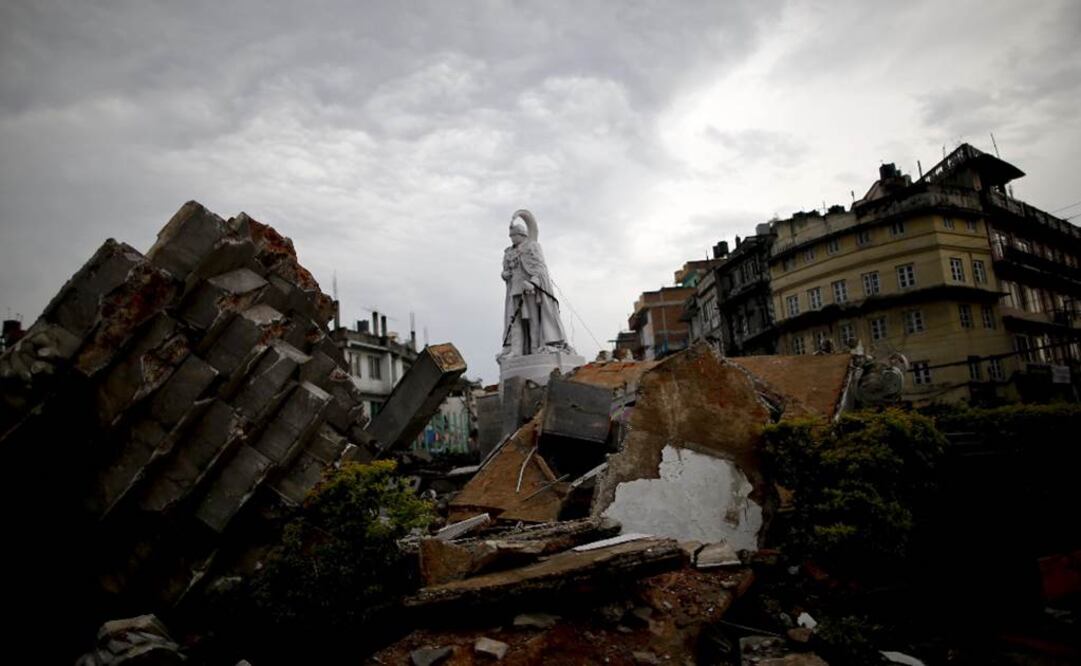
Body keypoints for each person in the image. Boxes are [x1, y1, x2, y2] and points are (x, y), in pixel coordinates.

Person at [500, 210, 570, 358]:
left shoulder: (532, 247)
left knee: (533, 319)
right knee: (515, 320)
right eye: (511, 236)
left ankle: (534, 348)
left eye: (514, 236)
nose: (512, 239)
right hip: (515, 289)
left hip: (530, 289)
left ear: (522, 235)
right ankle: (516, 350)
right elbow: (506, 271)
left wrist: (533, 283)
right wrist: (505, 275)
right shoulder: (509, 252)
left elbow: (540, 269)